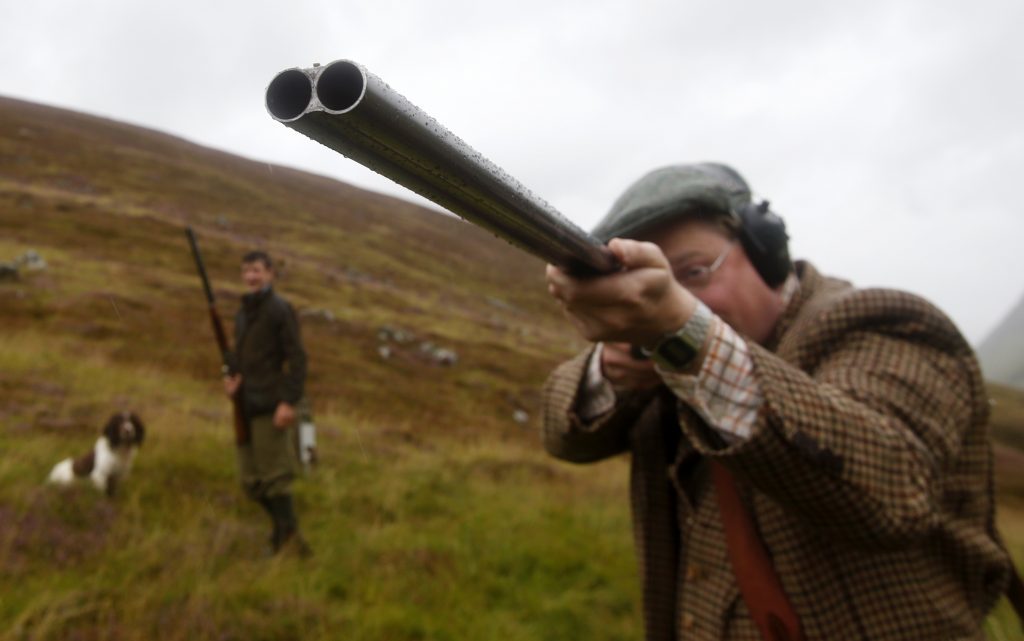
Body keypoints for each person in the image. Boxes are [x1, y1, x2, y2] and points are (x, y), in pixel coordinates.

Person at [542, 163, 1012, 640]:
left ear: (766, 248)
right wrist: (612, 367)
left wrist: (685, 332)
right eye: (665, 282)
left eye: (694, 271)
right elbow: (565, 436)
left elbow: (891, 489)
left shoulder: (886, 321)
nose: (680, 297)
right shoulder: (664, 353)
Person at [223, 249, 310, 556]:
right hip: (246, 405)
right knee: (251, 482)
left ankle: (286, 540)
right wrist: (232, 375)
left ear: (270, 273)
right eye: (246, 270)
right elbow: (242, 356)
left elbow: (298, 360)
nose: (250, 276)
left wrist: (288, 402)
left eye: (257, 270)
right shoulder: (244, 312)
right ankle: (286, 533)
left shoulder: (279, 309)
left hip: (271, 406)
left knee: (275, 479)